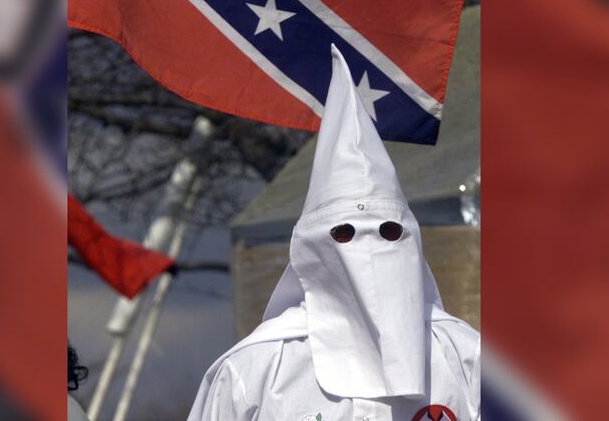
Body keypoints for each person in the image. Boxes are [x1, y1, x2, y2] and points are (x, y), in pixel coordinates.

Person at [188, 46, 480, 421]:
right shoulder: (255, 370)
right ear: (312, 247)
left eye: (389, 232)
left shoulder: (465, 357)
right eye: (344, 233)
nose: (370, 249)